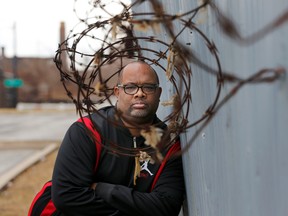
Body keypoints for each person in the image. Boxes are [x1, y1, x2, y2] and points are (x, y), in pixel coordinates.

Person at [51, 61, 186, 216]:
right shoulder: (88, 131)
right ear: (117, 92)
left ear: (159, 93)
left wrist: (104, 189)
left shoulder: (168, 145)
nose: (139, 93)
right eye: (130, 87)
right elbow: (66, 197)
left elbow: (166, 207)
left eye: (148, 87)